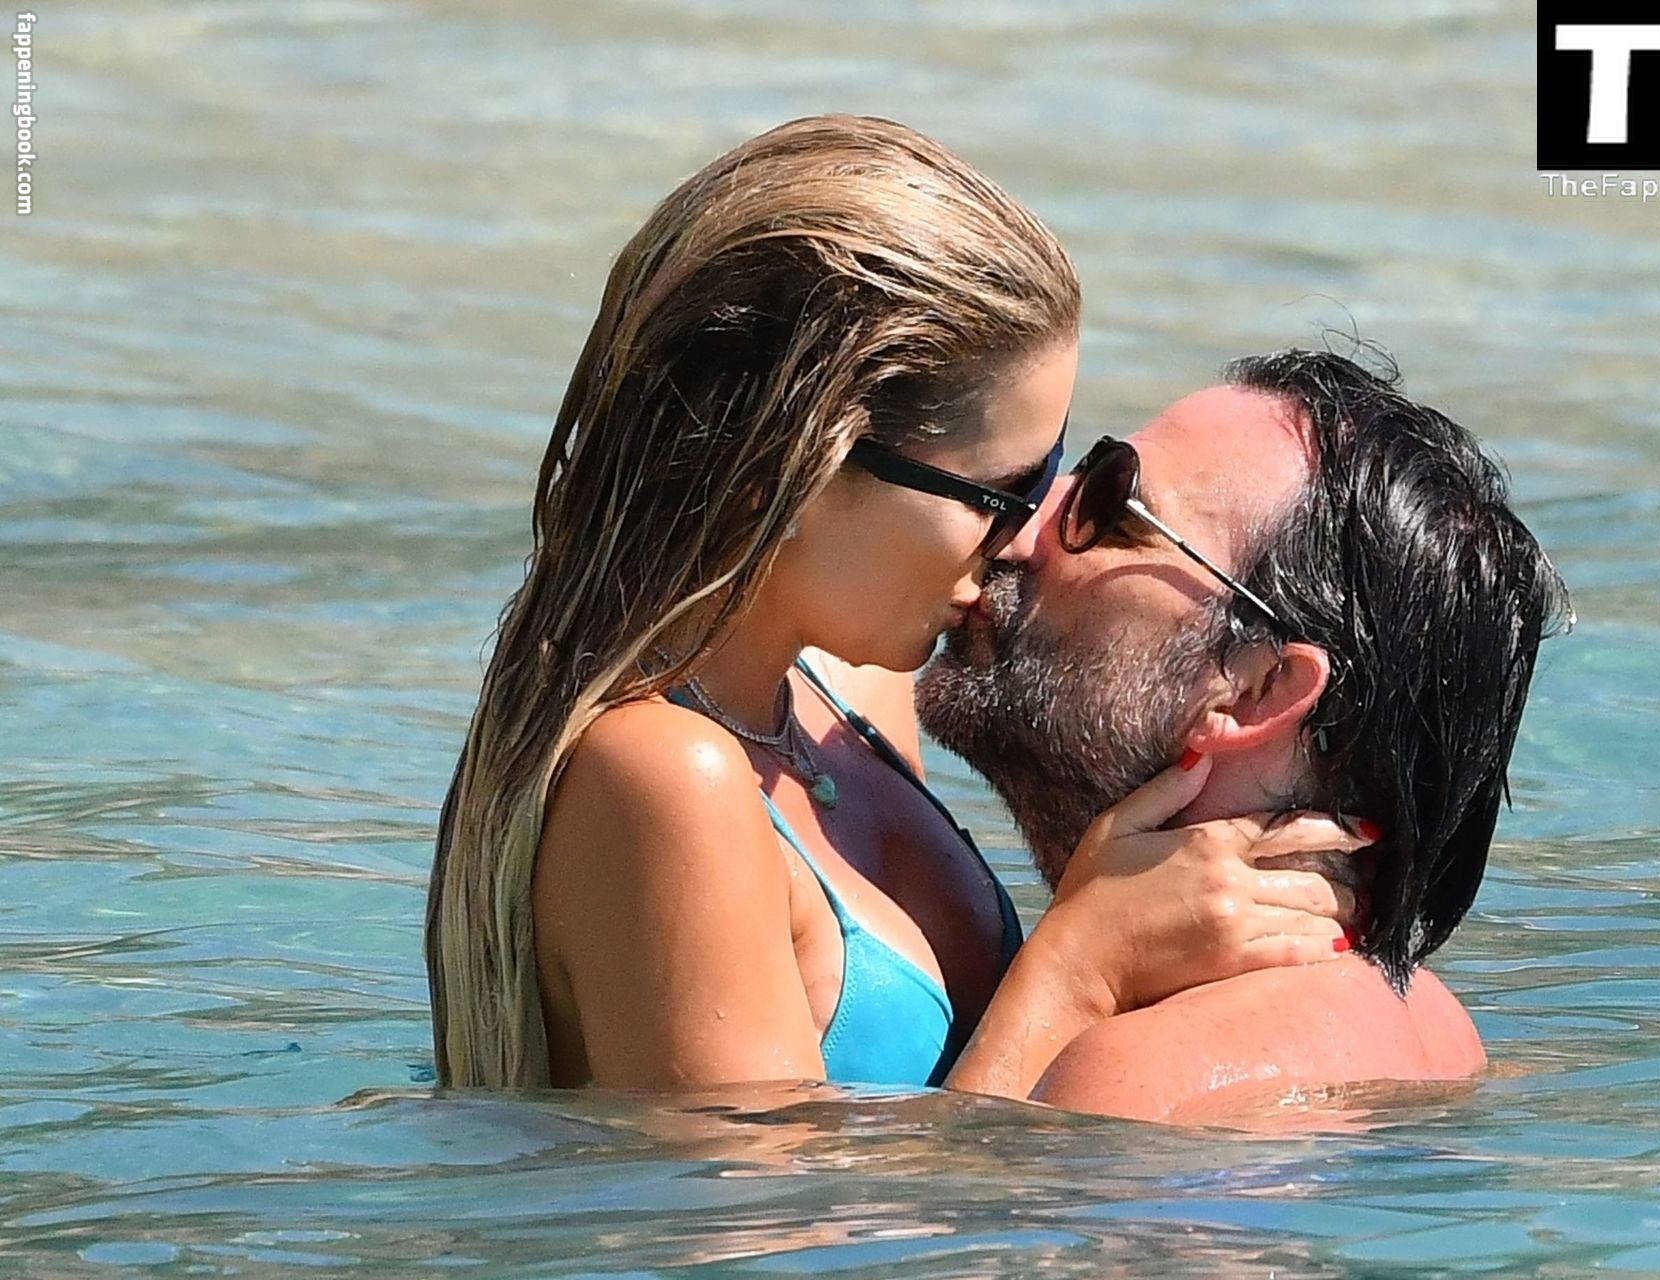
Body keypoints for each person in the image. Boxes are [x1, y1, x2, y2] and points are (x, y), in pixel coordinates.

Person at [424, 116, 1365, 1094]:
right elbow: (750, 1196)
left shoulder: (841, 694)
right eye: (1002, 490)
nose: (1025, 532)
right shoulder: (666, 780)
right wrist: (1082, 966)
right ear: (798, 465)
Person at [917, 349, 1571, 1124]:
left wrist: (1073, 976)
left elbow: (951, 1204)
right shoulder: (1437, 1026)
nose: (1020, 524)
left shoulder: (1137, 1072)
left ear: (1257, 688)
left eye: (1111, 507)